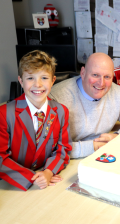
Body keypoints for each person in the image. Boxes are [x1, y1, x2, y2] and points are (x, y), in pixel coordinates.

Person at [0, 50, 72, 191]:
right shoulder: (4, 114)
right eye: (30, 78)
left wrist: (48, 171)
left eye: (44, 78)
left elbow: (63, 148)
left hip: (44, 181)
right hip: (13, 184)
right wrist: (32, 178)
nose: (37, 84)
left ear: (53, 81)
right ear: (21, 81)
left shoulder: (61, 111)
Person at [49, 52, 120, 159]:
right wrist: (93, 146)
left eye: (107, 77)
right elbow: (51, 147)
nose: (101, 83)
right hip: (66, 160)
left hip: (103, 154)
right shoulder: (55, 98)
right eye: (95, 75)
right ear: (83, 73)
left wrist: (118, 136)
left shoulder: (116, 92)